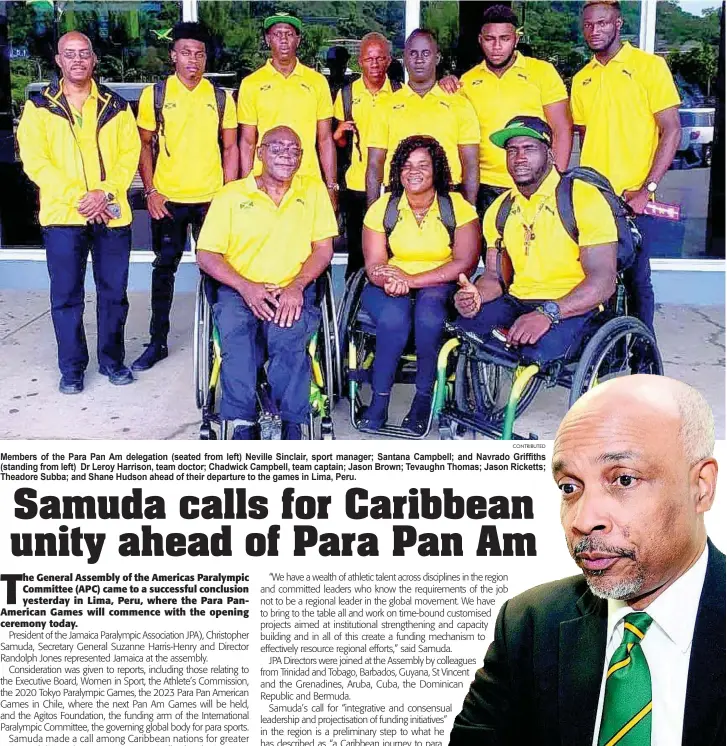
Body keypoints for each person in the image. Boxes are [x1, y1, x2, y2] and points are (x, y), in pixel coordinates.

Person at [450, 374, 724, 746]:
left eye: (623, 480)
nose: (582, 520)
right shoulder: (529, 623)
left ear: (701, 487)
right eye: (570, 488)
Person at [16, 31, 140, 394]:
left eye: (84, 53)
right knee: (67, 296)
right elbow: (36, 162)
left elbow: (127, 156)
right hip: (62, 217)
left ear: (94, 59)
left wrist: (104, 192)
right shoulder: (39, 107)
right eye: (69, 54)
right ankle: (71, 368)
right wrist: (80, 197)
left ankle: (112, 361)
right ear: (58, 60)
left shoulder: (116, 106)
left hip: (111, 214)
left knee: (114, 293)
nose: (77, 60)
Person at [195, 126, 337, 441]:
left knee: (287, 338)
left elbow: (323, 249)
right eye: (277, 147)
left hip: (292, 287)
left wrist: (296, 286)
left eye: (294, 149)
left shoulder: (313, 191)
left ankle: (292, 423)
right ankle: (242, 423)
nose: (287, 155)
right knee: (239, 342)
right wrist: (247, 287)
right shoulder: (231, 195)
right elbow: (206, 254)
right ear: (260, 152)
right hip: (238, 288)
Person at [454, 116, 617, 364]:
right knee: (461, 334)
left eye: (529, 148)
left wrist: (548, 313)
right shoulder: (499, 209)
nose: (519, 157)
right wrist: (475, 295)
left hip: (572, 305)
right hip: (517, 300)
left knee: (532, 355)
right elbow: (494, 278)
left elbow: (604, 282)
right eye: (512, 150)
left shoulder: (583, 198)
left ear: (550, 153)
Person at [133, 22, 238, 372]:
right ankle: (157, 341)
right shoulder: (156, 95)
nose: (193, 60)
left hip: (211, 200)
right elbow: (144, 145)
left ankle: (223, 339)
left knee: (220, 271)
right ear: (173, 55)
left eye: (199, 54)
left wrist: (228, 195)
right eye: (186, 53)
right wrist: (151, 191)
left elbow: (230, 148)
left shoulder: (221, 98)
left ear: (206, 58)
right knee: (164, 269)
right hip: (169, 200)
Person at [571, 0, 681, 333]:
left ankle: (643, 354)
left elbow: (672, 129)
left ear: (618, 24)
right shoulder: (581, 79)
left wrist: (647, 189)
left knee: (636, 279)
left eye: (602, 23)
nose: (595, 30)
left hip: (633, 195)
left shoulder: (648, 67)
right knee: (593, 276)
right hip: (593, 198)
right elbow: (586, 138)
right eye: (589, 25)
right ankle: (605, 350)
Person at [360, 135, 480, 434]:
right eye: (406, 165)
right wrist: (389, 279)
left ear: (436, 170)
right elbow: (374, 262)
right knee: (392, 318)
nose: (413, 171)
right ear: (398, 170)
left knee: (429, 316)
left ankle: (423, 398)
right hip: (390, 283)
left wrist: (412, 280)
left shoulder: (457, 207)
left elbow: (463, 262)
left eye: (423, 165)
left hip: (440, 282)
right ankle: (379, 399)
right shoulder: (383, 207)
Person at [457, 4, 571, 219]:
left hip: (535, 183)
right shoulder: (468, 81)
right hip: (485, 187)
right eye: (490, 39)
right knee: (491, 250)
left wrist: (556, 181)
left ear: (516, 39)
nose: (497, 46)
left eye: (505, 38)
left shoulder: (542, 73)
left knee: (534, 250)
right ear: (480, 40)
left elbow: (562, 129)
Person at [366, 29, 480, 207]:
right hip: (398, 197)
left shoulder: (460, 105)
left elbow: (471, 164)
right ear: (404, 59)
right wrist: (372, 212)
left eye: (426, 53)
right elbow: (374, 165)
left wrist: (470, 209)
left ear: (437, 58)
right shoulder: (384, 106)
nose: (419, 59)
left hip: (448, 197)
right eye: (413, 53)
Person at [237, 12, 338, 208]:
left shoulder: (317, 82)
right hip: (264, 180)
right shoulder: (251, 84)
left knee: (311, 238)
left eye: (289, 34)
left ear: (298, 40)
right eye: (277, 34)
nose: (283, 40)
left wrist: (331, 185)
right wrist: (246, 184)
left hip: (308, 178)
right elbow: (248, 141)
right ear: (268, 40)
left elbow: (325, 139)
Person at [333, 32, 395, 280]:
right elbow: (340, 142)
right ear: (360, 62)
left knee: (392, 249)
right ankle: (353, 305)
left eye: (380, 58)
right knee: (358, 252)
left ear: (389, 61)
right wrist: (338, 133)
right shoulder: (347, 95)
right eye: (369, 59)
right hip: (357, 184)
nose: (375, 64)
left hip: (393, 184)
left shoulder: (400, 92)